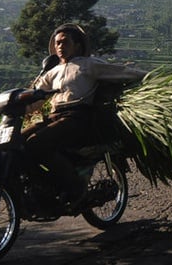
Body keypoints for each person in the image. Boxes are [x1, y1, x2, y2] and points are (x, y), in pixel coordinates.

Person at [24, 23, 147, 206]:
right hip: (54, 116)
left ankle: (75, 187)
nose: (60, 46)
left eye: (65, 42)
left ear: (77, 45)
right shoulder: (52, 72)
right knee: (17, 141)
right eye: (57, 43)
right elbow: (35, 97)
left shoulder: (89, 65)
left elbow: (122, 72)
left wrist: (149, 76)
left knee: (36, 143)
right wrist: (15, 106)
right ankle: (39, 185)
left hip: (77, 117)